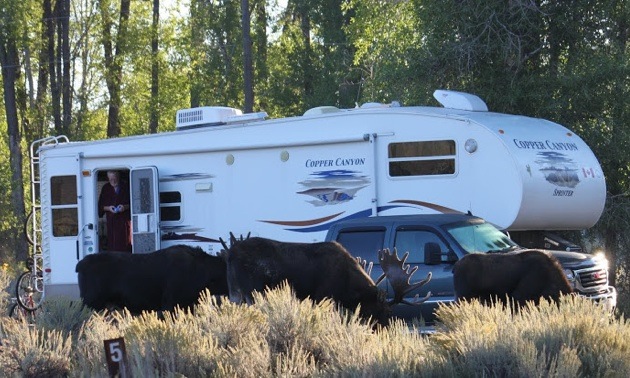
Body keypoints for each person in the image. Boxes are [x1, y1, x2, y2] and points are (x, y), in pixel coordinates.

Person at [98, 170, 132, 252]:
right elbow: (100, 206)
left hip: (124, 222)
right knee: (113, 245)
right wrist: (109, 208)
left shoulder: (125, 186)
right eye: (111, 179)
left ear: (118, 177)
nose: (113, 181)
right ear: (108, 178)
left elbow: (134, 203)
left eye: (115, 179)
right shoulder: (106, 188)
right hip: (111, 223)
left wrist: (124, 207)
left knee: (125, 244)